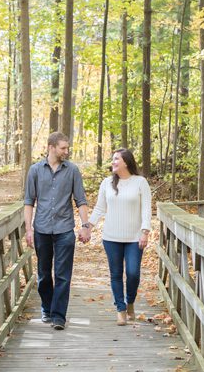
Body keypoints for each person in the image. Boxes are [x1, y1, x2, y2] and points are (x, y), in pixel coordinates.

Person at [24, 132, 91, 330]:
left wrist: (85, 225)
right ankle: (47, 307)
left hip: (64, 229)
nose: (66, 151)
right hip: (41, 229)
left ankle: (59, 315)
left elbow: (81, 200)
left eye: (67, 147)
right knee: (44, 273)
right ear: (51, 147)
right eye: (63, 148)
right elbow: (29, 201)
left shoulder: (72, 170)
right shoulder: (35, 170)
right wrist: (28, 229)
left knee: (63, 274)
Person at [89, 149, 152, 326]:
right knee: (116, 274)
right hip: (111, 237)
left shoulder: (140, 182)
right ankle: (120, 309)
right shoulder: (107, 183)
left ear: (126, 162)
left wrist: (145, 231)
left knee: (133, 273)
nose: (113, 162)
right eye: (113, 159)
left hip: (134, 237)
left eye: (116, 159)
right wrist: (88, 226)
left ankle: (130, 300)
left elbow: (146, 208)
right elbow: (100, 208)